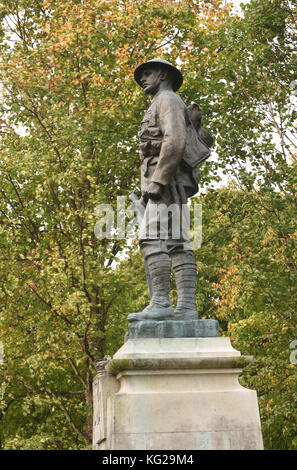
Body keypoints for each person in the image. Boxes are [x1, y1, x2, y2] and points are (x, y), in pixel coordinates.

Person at [128, 58, 212, 323]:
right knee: (176, 240)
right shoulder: (160, 102)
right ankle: (186, 308)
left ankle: (162, 302)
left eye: (148, 73)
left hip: (166, 181)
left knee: (150, 237)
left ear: (163, 74)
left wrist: (159, 181)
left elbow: (175, 141)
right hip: (162, 180)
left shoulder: (168, 100)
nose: (143, 78)